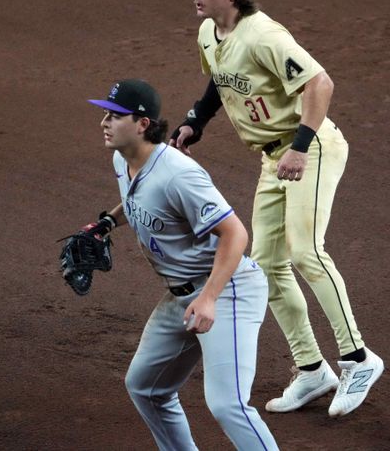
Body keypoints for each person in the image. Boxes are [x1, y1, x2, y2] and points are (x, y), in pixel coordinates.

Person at [170, 0, 384, 418]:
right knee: (266, 262)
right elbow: (219, 82)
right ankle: (311, 369)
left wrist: (301, 147)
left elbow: (319, 84)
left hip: (309, 149)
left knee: (306, 251)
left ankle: (358, 359)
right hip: (274, 159)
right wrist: (195, 121)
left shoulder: (263, 34)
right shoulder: (209, 32)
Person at [84, 78, 279, 451]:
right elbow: (138, 198)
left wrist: (208, 298)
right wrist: (107, 222)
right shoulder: (123, 160)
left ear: (142, 124)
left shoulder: (180, 174)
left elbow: (235, 234)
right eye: (105, 114)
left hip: (227, 290)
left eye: (115, 115)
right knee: (145, 386)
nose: (104, 122)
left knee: (228, 404)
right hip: (180, 297)